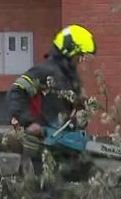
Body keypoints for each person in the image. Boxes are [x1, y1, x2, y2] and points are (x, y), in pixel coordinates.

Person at [6, 25, 96, 181]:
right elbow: (16, 92)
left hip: (66, 148)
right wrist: (29, 122)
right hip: (42, 148)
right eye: (80, 55)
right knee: (47, 195)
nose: (82, 60)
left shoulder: (70, 79)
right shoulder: (44, 72)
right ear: (69, 52)